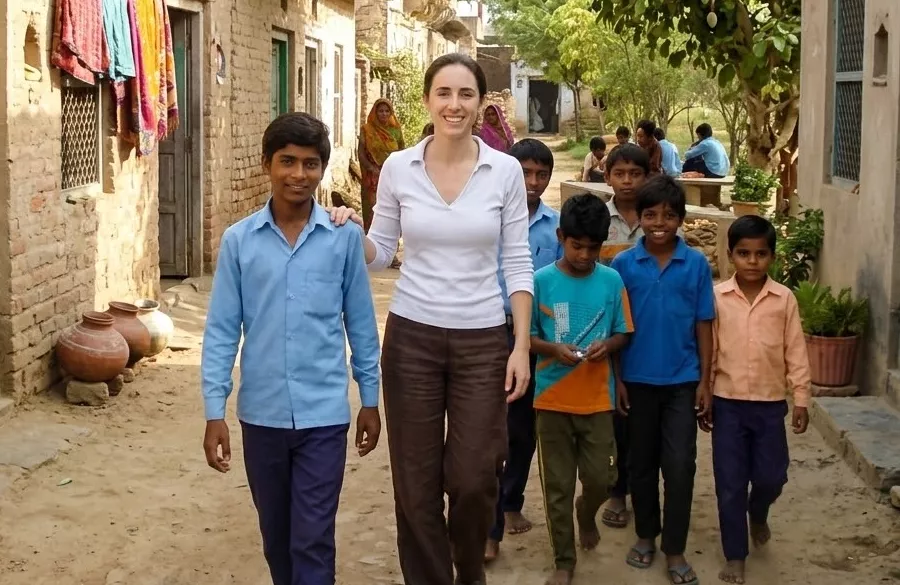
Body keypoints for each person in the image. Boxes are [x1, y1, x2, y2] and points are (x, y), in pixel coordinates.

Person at [338, 53, 533, 585]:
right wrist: (349, 230)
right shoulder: (401, 166)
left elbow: (518, 261)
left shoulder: (505, 169)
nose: (454, 104)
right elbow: (380, 252)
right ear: (427, 100)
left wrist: (519, 346)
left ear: (479, 103)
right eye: (443, 93)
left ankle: (468, 572)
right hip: (412, 339)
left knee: (473, 478)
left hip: (483, 342)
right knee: (415, 484)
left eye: (465, 94)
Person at [201, 112, 382, 585]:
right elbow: (222, 331)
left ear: (322, 169)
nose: (298, 175)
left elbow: (361, 324)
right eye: (287, 162)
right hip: (261, 416)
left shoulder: (343, 238)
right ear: (267, 164)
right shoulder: (239, 241)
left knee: (313, 536)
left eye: (310, 164)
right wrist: (213, 411)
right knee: (276, 536)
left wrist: (370, 400)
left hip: (324, 418)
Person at [611, 175, 714, 585]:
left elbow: (705, 324)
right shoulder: (622, 265)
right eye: (650, 214)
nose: (659, 223)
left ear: (681, 220)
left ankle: (674, 548)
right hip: (635, 380)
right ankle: (645, 536)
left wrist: (706, 380)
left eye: (669, 215)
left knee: (679, 466)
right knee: (640, 464)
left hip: (682, 383)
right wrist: (617, 379)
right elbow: (617, 327)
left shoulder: (696, 265)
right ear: (638, 217)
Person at [531, 193, 633, 585]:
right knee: (556, 485)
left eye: (594, 247)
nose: (586, 254)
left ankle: (586, 512)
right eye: (577, 246)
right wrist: (554, 349)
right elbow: (526, 337)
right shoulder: (541, 282)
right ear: (561, 237)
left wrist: (607, 346)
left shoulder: (611, 281)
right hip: (552, 400)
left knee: (602, 479)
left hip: (597, 401)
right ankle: (564, 558)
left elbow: (623, 332)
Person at [709, 215, 811, 585]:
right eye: (744, 253)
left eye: (761, 254)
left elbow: (795, 351)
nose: (752, 261)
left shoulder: (784, 300)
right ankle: (736, 555)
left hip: (769, 406)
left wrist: (801, 398)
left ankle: (759, 510)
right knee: (730, 482)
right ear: (730, 255)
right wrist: (703, 394)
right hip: (727, 404)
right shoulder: (717, 298)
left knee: (772, 476)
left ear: (772, 256)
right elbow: (710, 351)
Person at [485, 138, 563, 563]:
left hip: (535, 341)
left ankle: (510, 501)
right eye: (524, 173)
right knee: (490, 433)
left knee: (522, 431)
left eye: (540, 174)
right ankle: (489, 525)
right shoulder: (488, 220)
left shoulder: (556, 227)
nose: (532, 182)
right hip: (490, 334)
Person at [358, 98, 405, 233]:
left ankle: (391, 243)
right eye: (380, 111)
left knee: (391, 208)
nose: (384, 114)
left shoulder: (396, 130)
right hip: (372, 176)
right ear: (375, 112)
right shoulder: (367, 130)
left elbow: (402, 149)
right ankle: (371, 240)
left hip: (392, 175)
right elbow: (361, 152)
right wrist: (371, 168)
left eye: (386, 111)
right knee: (373, 208)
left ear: (391, 113)